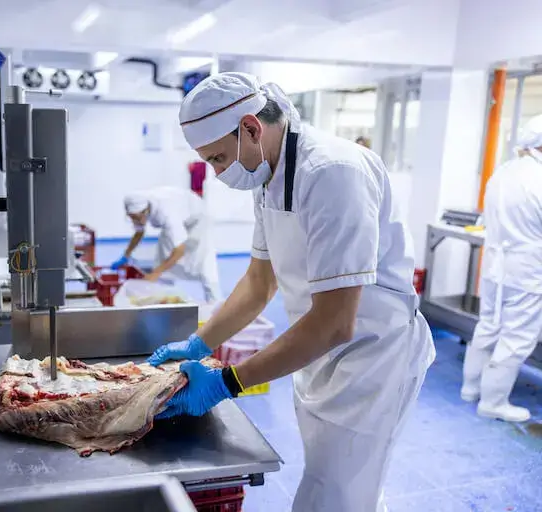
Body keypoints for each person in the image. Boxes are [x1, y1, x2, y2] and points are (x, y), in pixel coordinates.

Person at [147, 73, 435, 512]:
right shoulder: (268, 173)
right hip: (318, 349)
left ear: (250, 128)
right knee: (340, 482)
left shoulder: (334, 173)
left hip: (372, 356)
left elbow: (337, 322)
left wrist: (229, 380)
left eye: (219, 158)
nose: (219, 172)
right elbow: (259, 282)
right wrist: (200, 342)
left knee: (335, 495)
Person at [460, 114, 542, 423]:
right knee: (517, 336)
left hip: (495, 267)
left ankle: (470, 387)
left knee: (488, 326)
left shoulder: (504, 172)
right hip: (528, 271)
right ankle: (493, 402)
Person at [110, 186, 222, 302]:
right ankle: (163, 298)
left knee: (204, 264)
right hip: (180, 219)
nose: (135, 221)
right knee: (161, 258)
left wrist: (155, 273)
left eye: (136, 218)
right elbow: (139, 232)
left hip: (198, 221)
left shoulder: (167, 212)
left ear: (145, 211)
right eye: (132, 218)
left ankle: (215, 303)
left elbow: (180, 249)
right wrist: (126, 255)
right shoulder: (140, 209)